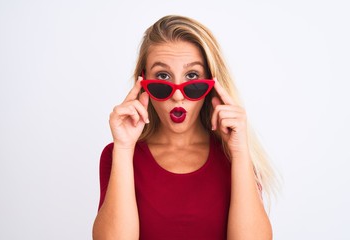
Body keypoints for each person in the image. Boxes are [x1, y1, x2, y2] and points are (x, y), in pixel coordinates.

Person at [92, 15, 278, 240]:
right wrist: (123, 148)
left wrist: (239, 152)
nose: (178, 95)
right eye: (162, 76)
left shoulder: (236, 154)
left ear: (212, 83)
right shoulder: (118, 155)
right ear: (143, 82)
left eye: (192, 76)